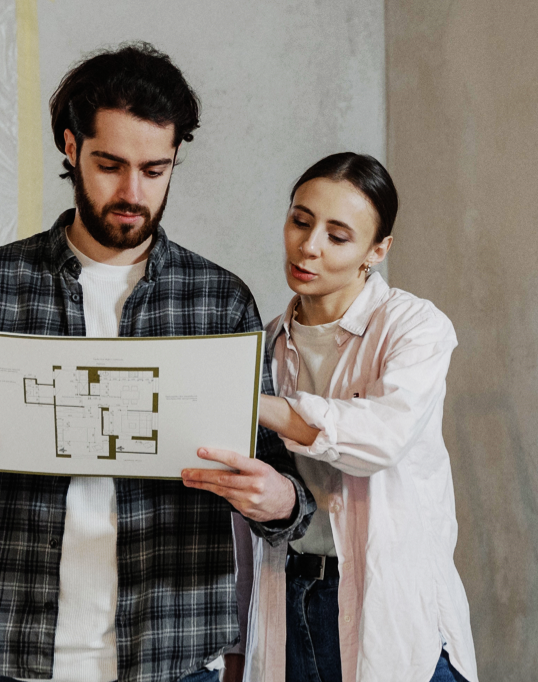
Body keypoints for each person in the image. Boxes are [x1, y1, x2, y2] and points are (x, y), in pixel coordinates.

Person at [0, 43, 313, 682]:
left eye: (155, 169)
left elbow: (286, 493)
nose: (132, 193)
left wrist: (276, 499)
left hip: (171, 649)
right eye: (110, 164)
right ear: (69, 146)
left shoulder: (219, 301)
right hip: (9, 645)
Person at [182, 153, 478, 682]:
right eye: (300, 220)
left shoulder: (414, 327)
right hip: (288, 595)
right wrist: (233, 645)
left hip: (392, 609)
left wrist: (246, 400)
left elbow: (379, 439)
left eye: (338, 236)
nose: (308, 246)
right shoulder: (267, 341)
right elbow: (246, 508)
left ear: (377, 250)